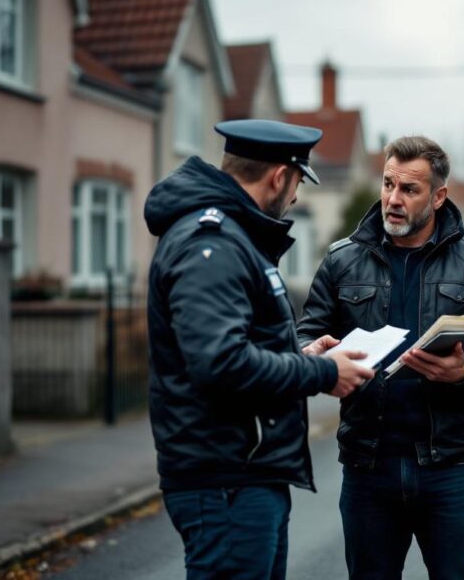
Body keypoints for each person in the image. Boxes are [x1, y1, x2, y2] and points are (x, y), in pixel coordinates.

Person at [144, 119, 375, 580]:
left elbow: (239, 346)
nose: (294, 199)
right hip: (227, 479)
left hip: (243, 474)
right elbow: (220, 364)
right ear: (278, 176)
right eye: (296, 184)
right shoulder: (212, 246)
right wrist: (324, 374)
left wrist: (307, 357)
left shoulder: (235, 241)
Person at [297, 135, 464, 579]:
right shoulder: (342, 260)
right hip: (368, 466)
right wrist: (313, 356)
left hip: (449, 468)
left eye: (409, 189)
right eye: (387, 185)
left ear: (439, 196)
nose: (392, 199)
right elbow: (307, 334)